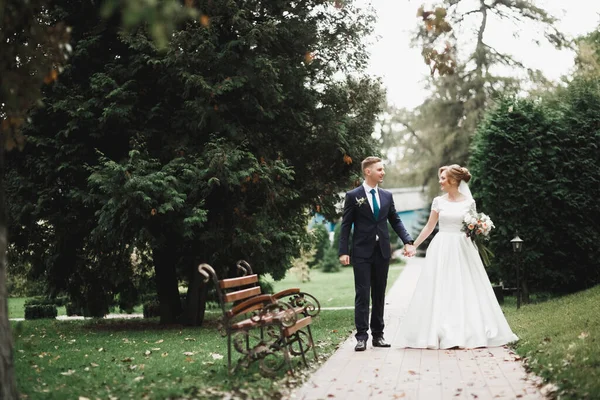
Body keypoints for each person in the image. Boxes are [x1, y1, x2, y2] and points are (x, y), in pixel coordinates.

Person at [396, 164, 518, 349]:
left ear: (453, 180)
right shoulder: (439, 201)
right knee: (441, 287)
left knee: (464, 287)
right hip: (442, 247)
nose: (440, 181)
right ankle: (439, 330)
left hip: (463, 249)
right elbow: (429, 227)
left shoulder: (469, 203)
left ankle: (467, 330)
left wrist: (479, 228)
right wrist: (413, 246)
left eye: (443, 178)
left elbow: (473, 226)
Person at [338, 156, 416, 351]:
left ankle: (378, 335)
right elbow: (346, 225)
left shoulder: (387, 196)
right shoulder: (353, 196)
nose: (383, 172)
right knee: (362, 293)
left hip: (382, 252)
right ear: (368, 172)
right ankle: (361, 336)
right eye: (380, 169)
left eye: (383, 169)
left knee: (380, 294)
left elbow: (395, 220)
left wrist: (407, 240)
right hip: (361, 252)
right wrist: (343, 251)